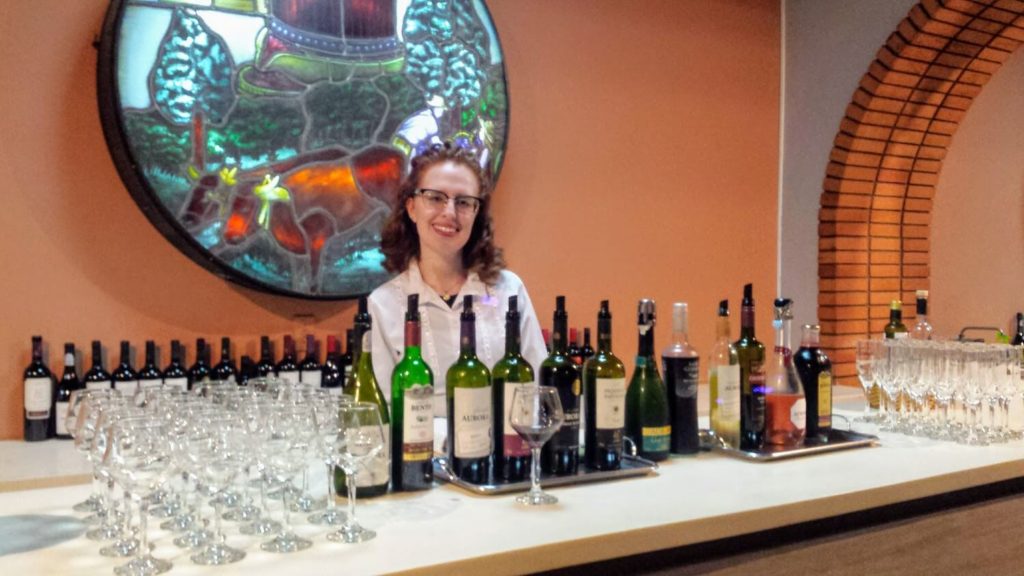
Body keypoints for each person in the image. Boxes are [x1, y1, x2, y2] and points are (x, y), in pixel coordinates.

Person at [368, 142, 547, 416]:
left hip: (503, 456)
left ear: (477, 214)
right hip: (421, 457)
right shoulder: (383, 305)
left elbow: (539, 391)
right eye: (435, 197)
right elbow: (382, 412)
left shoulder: (510, 291)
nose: (449, 212)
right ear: (412, 208)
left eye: (463, 202)